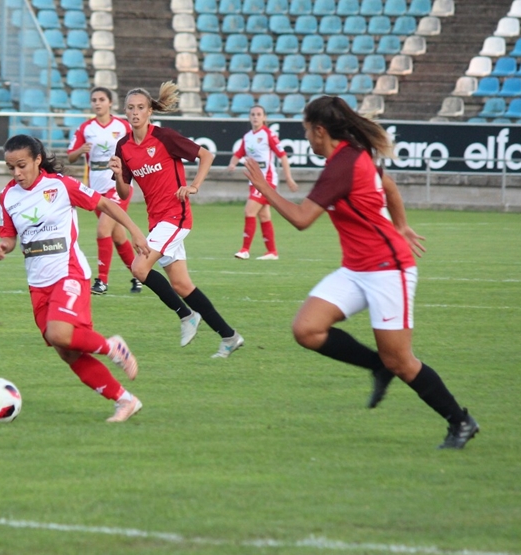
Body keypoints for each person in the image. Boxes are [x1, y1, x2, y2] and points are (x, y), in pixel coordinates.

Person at [240, 96, 479, 450]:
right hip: (356, 268)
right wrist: (400, 224)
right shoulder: (351, 154)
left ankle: (460, 421)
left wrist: (265, 190)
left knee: (401, 360)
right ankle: (377, 366)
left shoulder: (342, 164)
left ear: (320, 131)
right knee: (306, 329)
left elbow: (303, 219)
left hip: (388, 269)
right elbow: (389, 185)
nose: (306, 138)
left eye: (307, 131)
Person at [0, 135, 150, 423]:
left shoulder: (60, 186)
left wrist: (135, 231)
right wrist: (4, 245)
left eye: (21, 165)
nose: (16, 173)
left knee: (58, 334)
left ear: (37, 160)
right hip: (37, 284)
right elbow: (9, 234)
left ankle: (112, 347)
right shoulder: (8, 196)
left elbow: (105, 204)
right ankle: (125, 401)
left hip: (69, 273)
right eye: (10, 168)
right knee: (67, 353)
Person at [108, 82, 245, 359]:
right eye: (131, 108)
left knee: (139, 268)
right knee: (182, 285)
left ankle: (186, 315)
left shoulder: (164, 137)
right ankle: (229, 336)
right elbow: (125, 191)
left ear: (150, 112)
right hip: (157, 221)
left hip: (176, 216)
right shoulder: (123, 146)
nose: (135, 113)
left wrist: (194, 185)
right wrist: (118, 172)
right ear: (124, 111)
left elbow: (206, 155)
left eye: (141, 108)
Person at [66, 87, 142, 296]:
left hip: (117, 184)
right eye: (94, 100)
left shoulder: (122, 126)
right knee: (118, 237)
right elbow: (70, 156)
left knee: (102, 231)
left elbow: (140, 144)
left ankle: (102, 282)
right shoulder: (86, 128)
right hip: (96, 189)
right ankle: (139, 276)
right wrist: (79, 151)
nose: (97, 103)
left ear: (110, 103)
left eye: (101, 99)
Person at [226, 105, 298, 260]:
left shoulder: (269, 135)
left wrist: (289, 177)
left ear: (264, 117)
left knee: (249, 210)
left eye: (259, 114)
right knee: (264, 215)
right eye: (252, 114)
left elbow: (283, 156)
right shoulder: (247, 137)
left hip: (267, 180)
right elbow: (238, 153)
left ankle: (245, 249)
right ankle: (272, 252)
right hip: (255, 181)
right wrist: (232, 163)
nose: (255, 117)